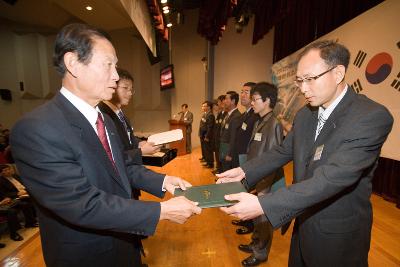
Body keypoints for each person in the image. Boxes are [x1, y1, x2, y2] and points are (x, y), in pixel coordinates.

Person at [10, 23, 201, 267]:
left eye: (116, 66)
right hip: (86, 255)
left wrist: (163, 181)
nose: (115, 75)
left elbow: (121, 168)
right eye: (108, 64)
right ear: (73, 63)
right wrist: (160, 212)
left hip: (123, 243)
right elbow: (81, 203)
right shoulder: (37, 128)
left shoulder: (105, 120)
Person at [217, 40, 393, 267]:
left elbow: (330, 178)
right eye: (299, 80)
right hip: (303, 222)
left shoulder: (370, 116)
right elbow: (283, 150)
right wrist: (243, 171)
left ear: (338, 73)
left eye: (310, 79)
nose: (303, 88)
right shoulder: (306, 114)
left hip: (336, 236)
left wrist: (264, 205)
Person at [237, 82, 285, 266]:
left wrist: (264, 188)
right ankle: (255, 243)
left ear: (267, 101)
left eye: (255, 99)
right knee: (257, 216)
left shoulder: (274, 124)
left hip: (266, 179)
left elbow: (273, 159)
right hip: (256, 176)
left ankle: (261, 253)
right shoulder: (260, 121)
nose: (252, 102)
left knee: (264, 217)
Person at [219, 91, 241, 172]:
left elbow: (234, 137)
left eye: (226, 99)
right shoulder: (227, 114)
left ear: (233, 101)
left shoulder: (236, 116)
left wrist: (229, 154)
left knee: (228, 174)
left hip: (228, 151)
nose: (224, 101)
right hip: (223, 149)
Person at [212, 95, 226, 174]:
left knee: (221, 158)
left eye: (218, 103)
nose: (217, 104)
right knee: (217, 156)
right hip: (217, 139)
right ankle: (219, 169)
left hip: (221, 140)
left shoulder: (226, 114)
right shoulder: (220, 114)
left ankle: (221, 171)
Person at [199, 101, 215, 168]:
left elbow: (210, 127)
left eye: (204, 106)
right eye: (203, 106)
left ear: (208, 107)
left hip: (206, 135)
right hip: (203, 134)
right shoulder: (205, 114)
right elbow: (202, 125)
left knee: (208, 150)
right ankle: (207, 161)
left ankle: (210, 163)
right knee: (205, 149)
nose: (203, 107)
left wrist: (207, 136)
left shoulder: (210, 115)